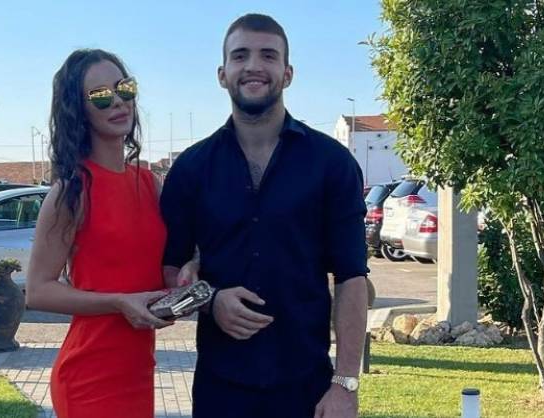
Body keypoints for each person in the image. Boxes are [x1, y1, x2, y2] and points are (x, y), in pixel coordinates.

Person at [160, 14, 369, 418]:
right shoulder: (191, 169)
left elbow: (351, 277)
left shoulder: (332, 163)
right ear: (222, 74)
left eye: (268, 55)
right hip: (219, 390)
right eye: (240, 55)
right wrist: (210, 301)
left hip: (308, 388)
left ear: (287, 73)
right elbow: (170, 272)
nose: (254, 65)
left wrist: (345, 384)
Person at [25, 49, 195, 418]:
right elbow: (37, 290)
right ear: (78, 110)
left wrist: (186, 277)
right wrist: (118, 302)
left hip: (138, 371)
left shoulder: (149, 183)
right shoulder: (72, 191)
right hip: (89, 378)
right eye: (101, 96)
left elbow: (162, 267)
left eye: (124, 88)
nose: (118, 101)